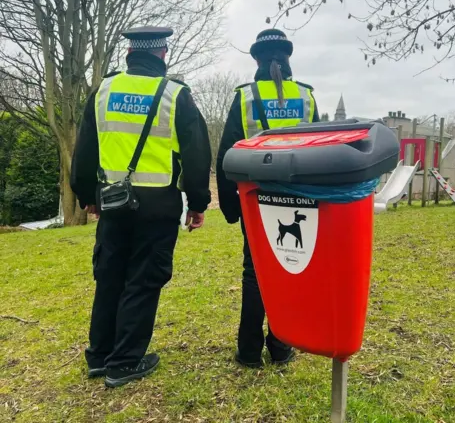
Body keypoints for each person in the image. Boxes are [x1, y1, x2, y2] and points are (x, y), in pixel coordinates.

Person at [71, 26, 211, 388]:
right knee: (144, 280)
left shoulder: (104, 90)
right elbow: (196, 157)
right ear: (162, 55)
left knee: (109, 275)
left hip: (113, 202)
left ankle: (100, 356)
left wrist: (87, 194)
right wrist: (197, 203)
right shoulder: (175, 95)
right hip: (159, 206)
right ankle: (125, 362)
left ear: (130, 53)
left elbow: (85, 149)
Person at [216, 29, 320, 368]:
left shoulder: (245, 97)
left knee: (253, 271)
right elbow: (322, 149)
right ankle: (281, 346)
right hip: (300, 200)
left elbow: (227, 156)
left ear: (257, 60)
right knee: (291, 270)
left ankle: (248, 351)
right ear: (287, 58)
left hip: (255, 201)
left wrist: (232, 209)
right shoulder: (306, 97)